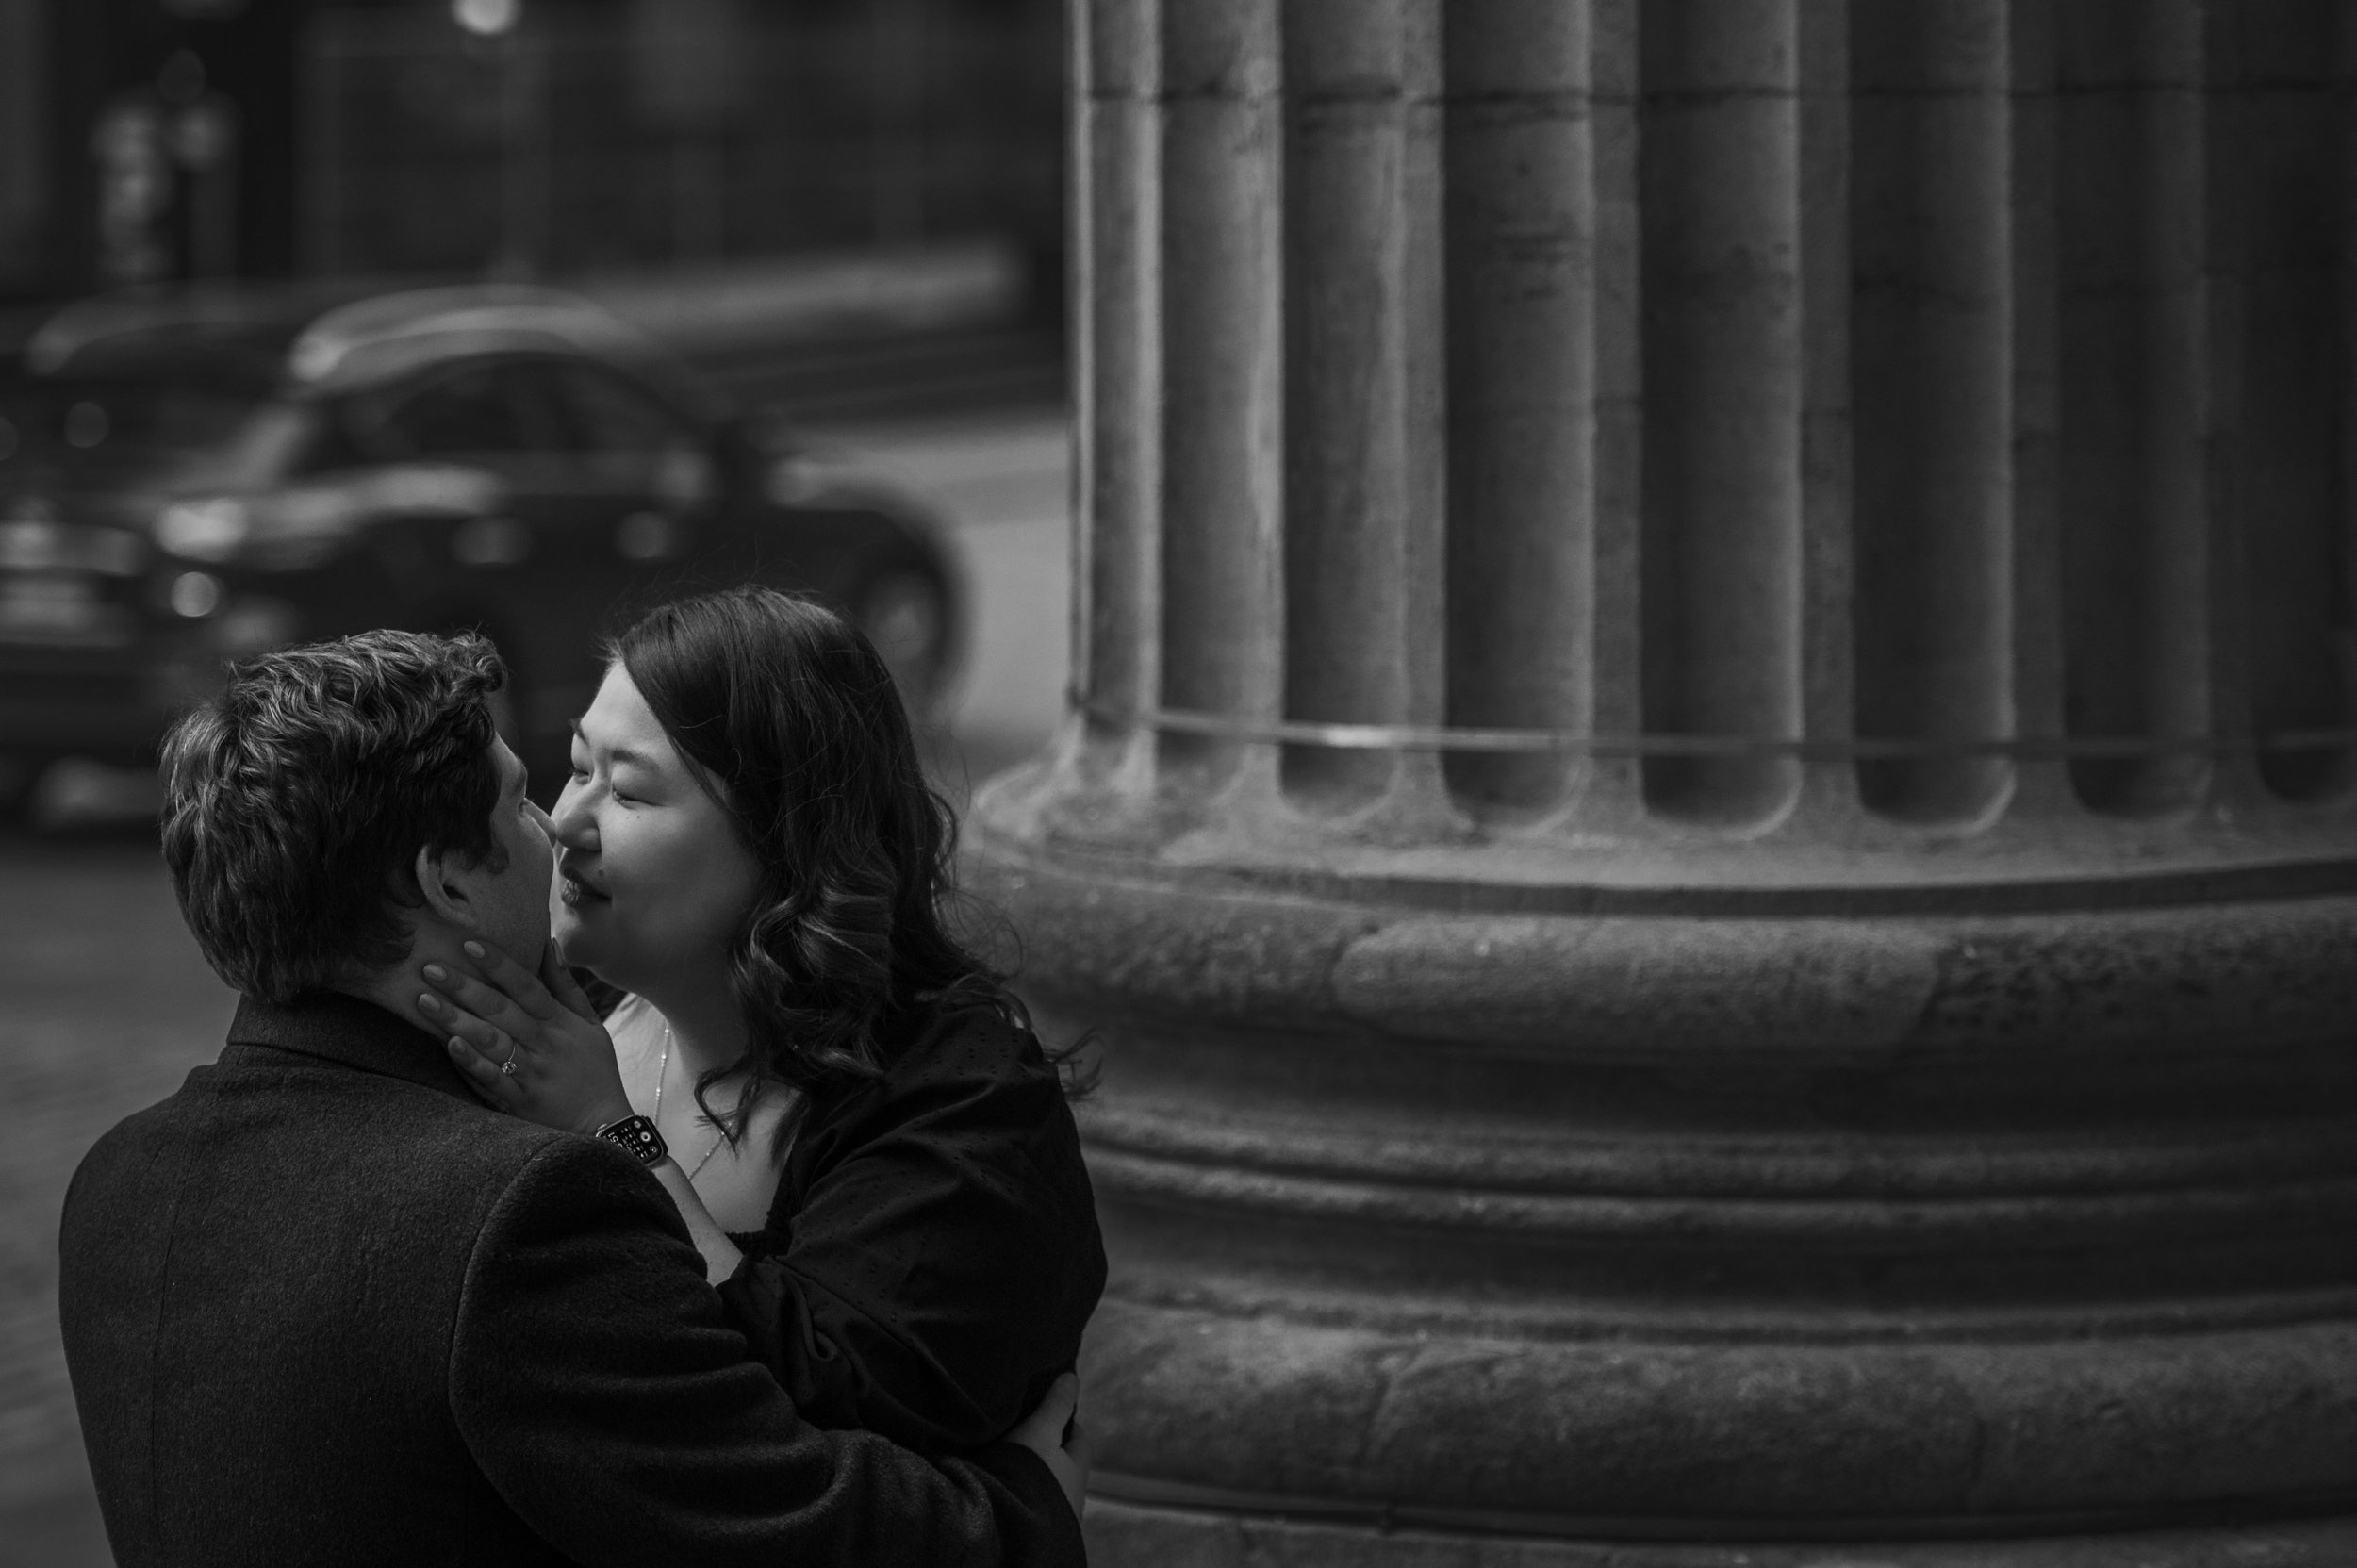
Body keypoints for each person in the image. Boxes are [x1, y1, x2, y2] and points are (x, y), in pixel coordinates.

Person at [57, 628, 1089, 1567]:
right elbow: (782, 1522)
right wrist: (1025, 1504)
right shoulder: (513, 1212)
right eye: (529, 794)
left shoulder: (114, 1181)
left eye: (622, 787)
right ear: (451, 883)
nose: (558, 825)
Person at [415, 586, 1106, 1457]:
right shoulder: (561, 1014)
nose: (566, 824)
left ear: (788, 845)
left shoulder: (959, 1098)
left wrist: (609, 1132)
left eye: (628, 792)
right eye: (577, 766)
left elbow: (827, 1427)